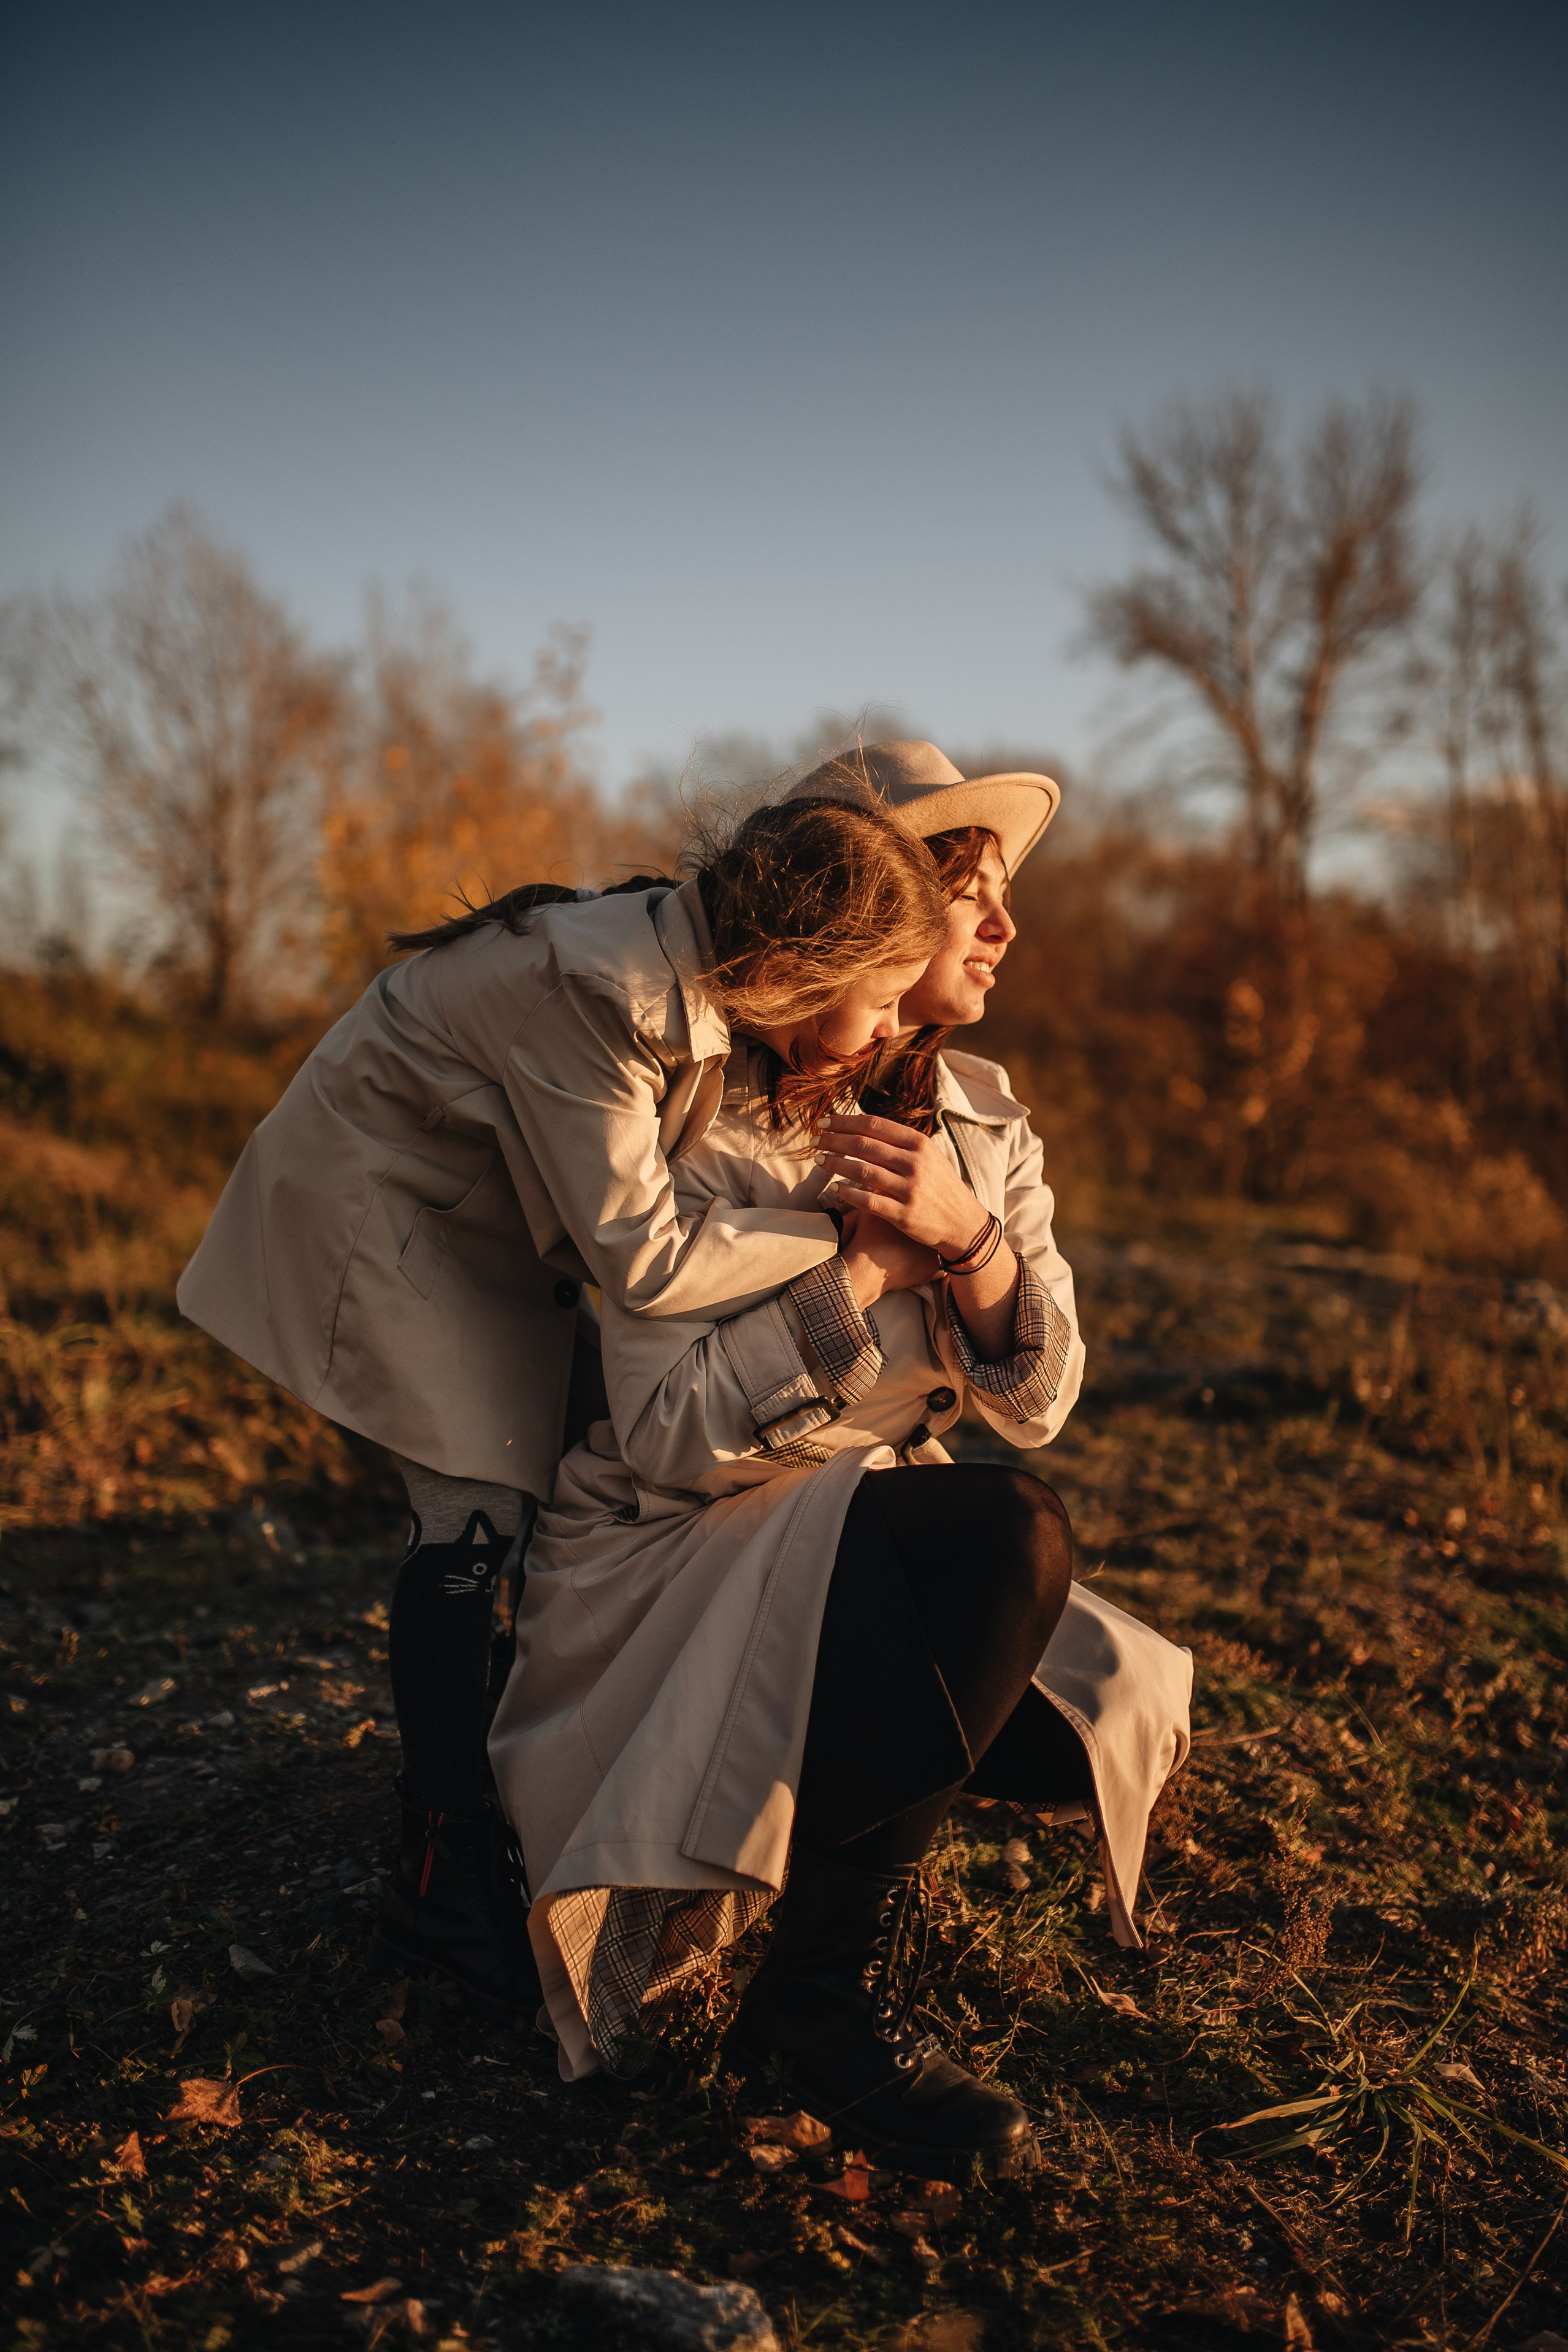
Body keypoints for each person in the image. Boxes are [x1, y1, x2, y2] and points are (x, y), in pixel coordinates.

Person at [489, 741, 1193, 2177]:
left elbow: (1042, 1394)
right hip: (682, 1552)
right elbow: (676, 1438)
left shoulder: (985, 1123)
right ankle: (816, 2006)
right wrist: (864, 1271)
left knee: (1081, 1739)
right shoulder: (699, 1114)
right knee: (1013, 1546)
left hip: (845, 1542)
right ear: (864, 914)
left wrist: (969, 1240)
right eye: (971, 896)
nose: (1007, 929)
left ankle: (810, 1820)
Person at [175, 794, 949, 2017]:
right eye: (888, 995)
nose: (896, 1026)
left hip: (491, 1215)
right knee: (474, 1513)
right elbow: (641, 1257)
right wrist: (844, 1236)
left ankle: (545, 1805)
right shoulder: (604, 994)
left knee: (586, 1469)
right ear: (799, 966)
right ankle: (437, 1876)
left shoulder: (696, 971)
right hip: (386, 1211)